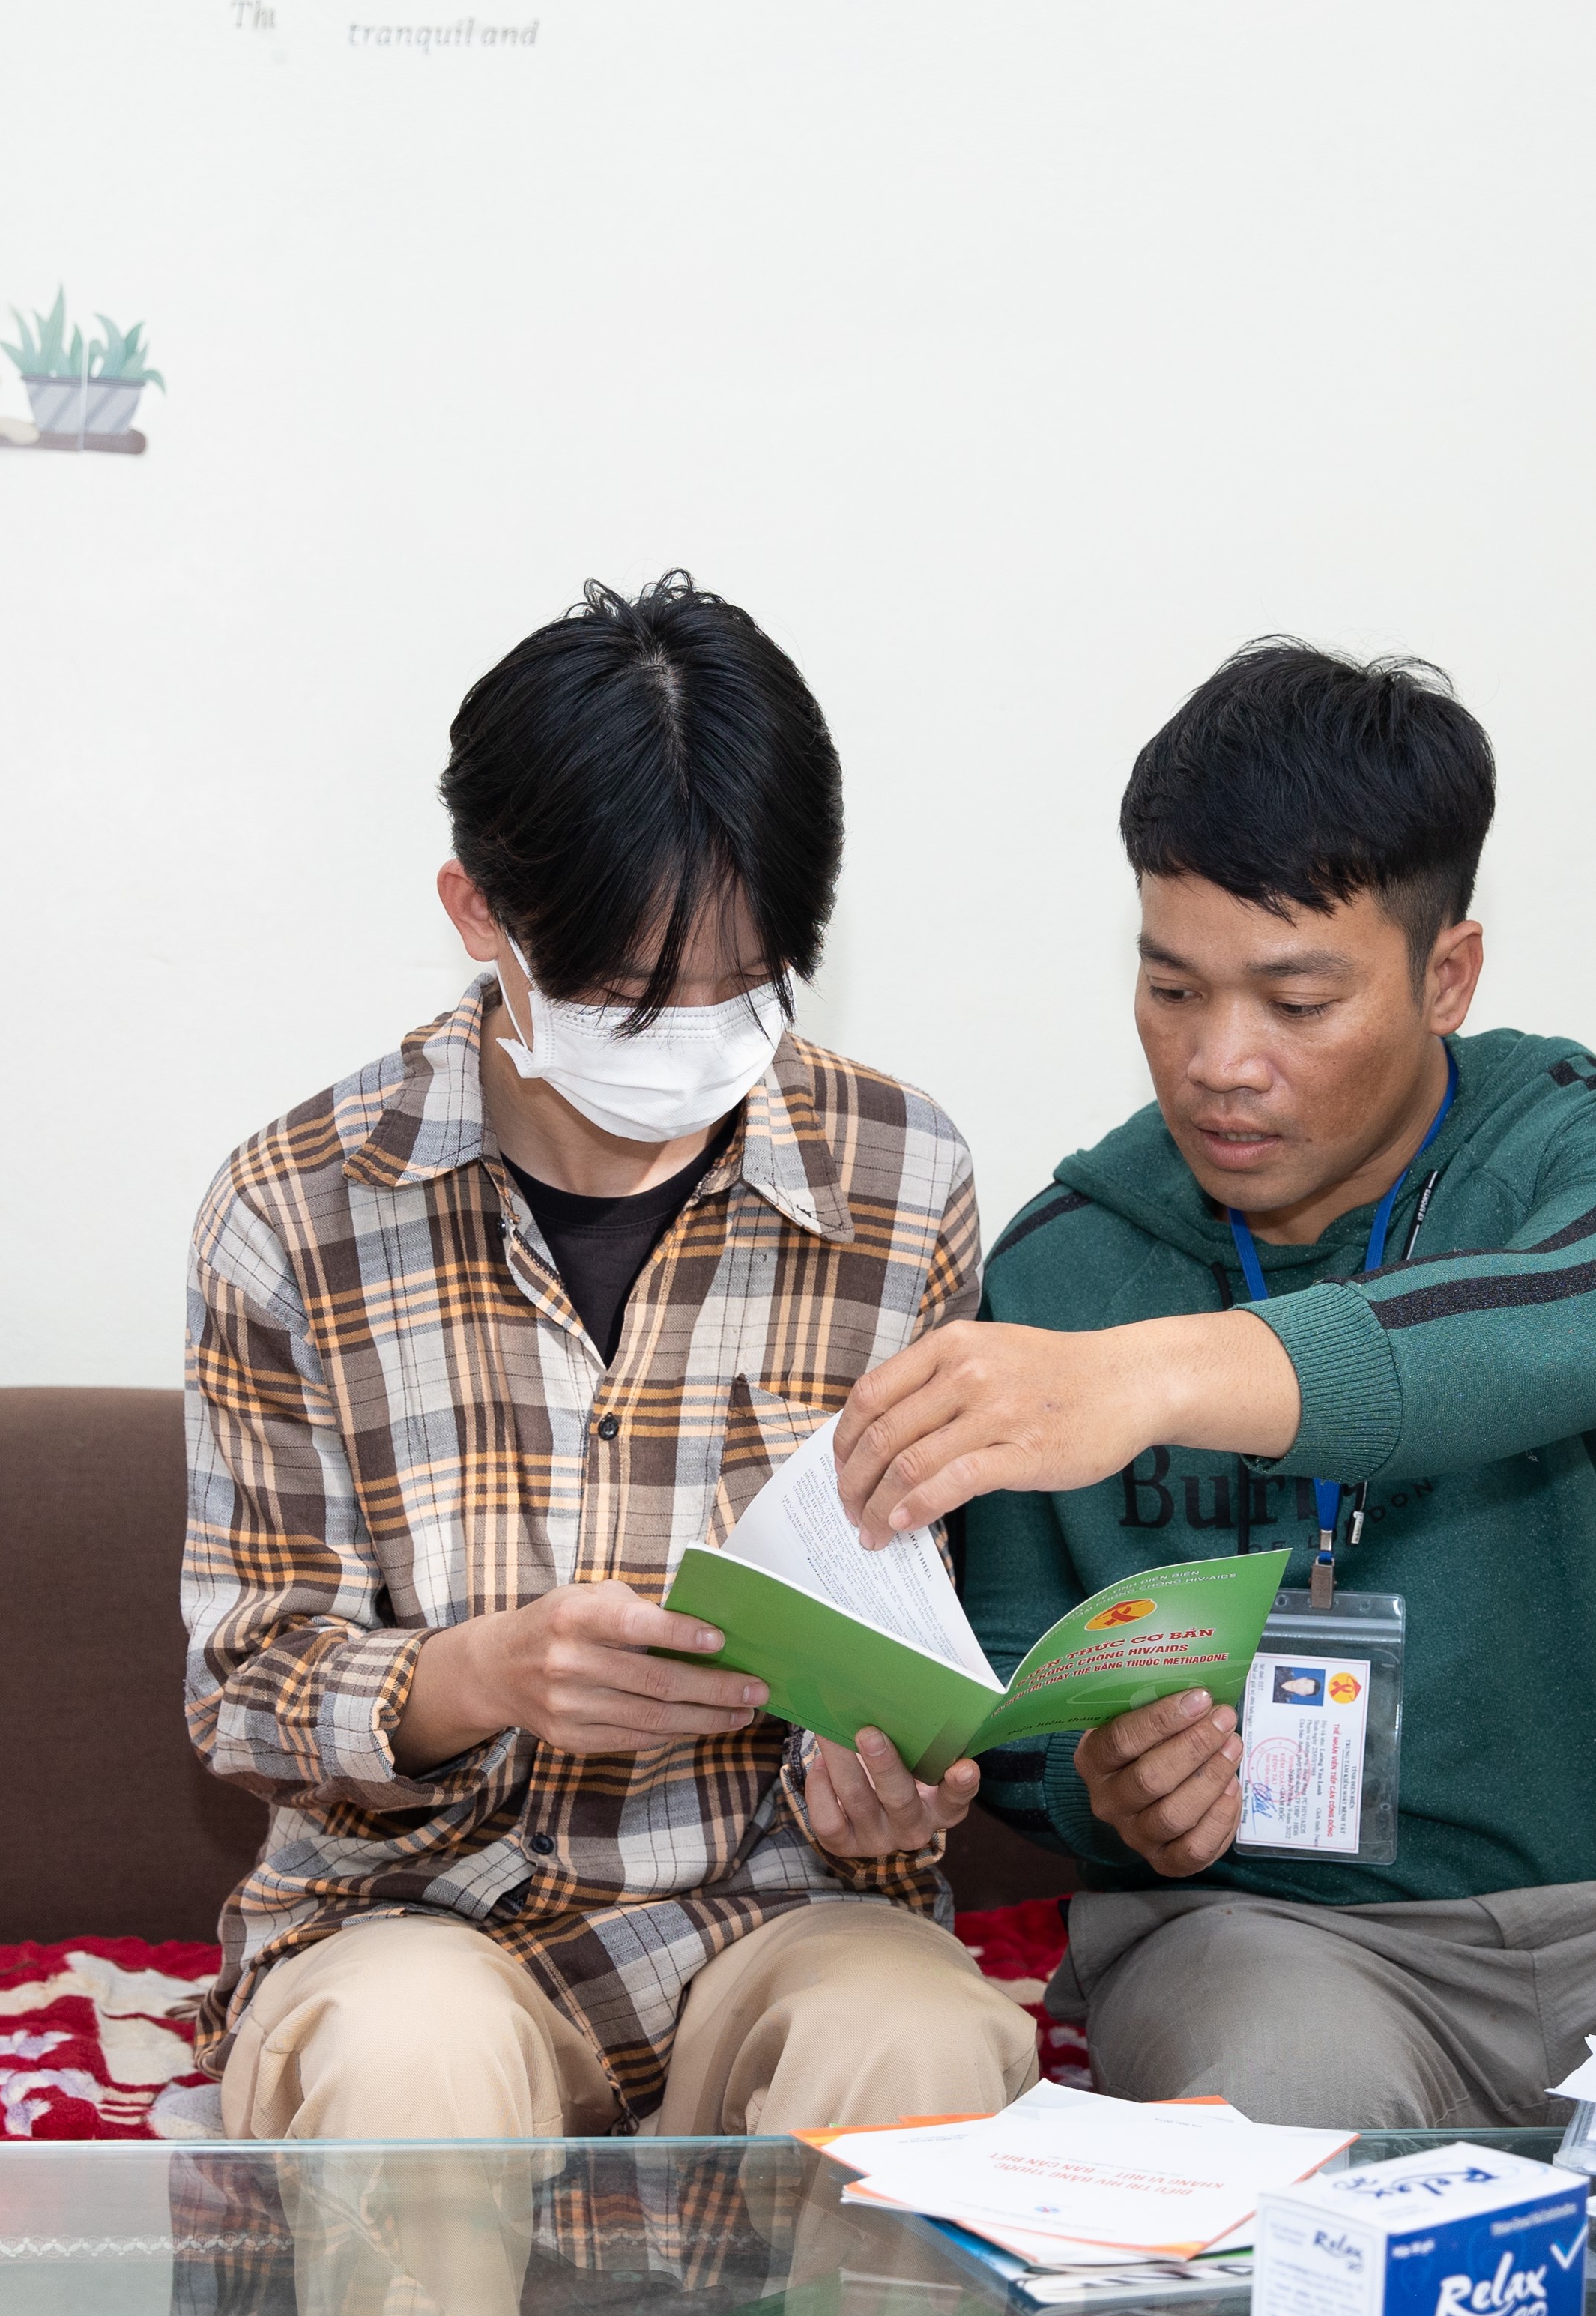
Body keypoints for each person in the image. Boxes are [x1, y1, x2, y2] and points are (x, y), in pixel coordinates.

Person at [834, 636, 1596, 2129]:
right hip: (1262, 1938)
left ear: (1444, 975)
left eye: (1295, 1002)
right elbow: (1010, 1683)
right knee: (1292, 2129)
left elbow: (1565, 1330)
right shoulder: (1068, 1269)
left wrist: (1150, 1381)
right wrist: (1101, 1786)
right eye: (1169, 986)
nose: (1219, 1061)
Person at [184, 571, 1036, 2143]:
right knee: (405, 2064)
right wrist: (478, 1674)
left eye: (746, 987)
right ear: (478, 914)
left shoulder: (901, 1178)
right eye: (629, 999)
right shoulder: (296, 1207)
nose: (694, 1041)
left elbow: (920, 1621)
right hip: (416, 1917)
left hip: (786, 1911)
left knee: (917, 2045)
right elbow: (245, 1687)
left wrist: (897, 1784)